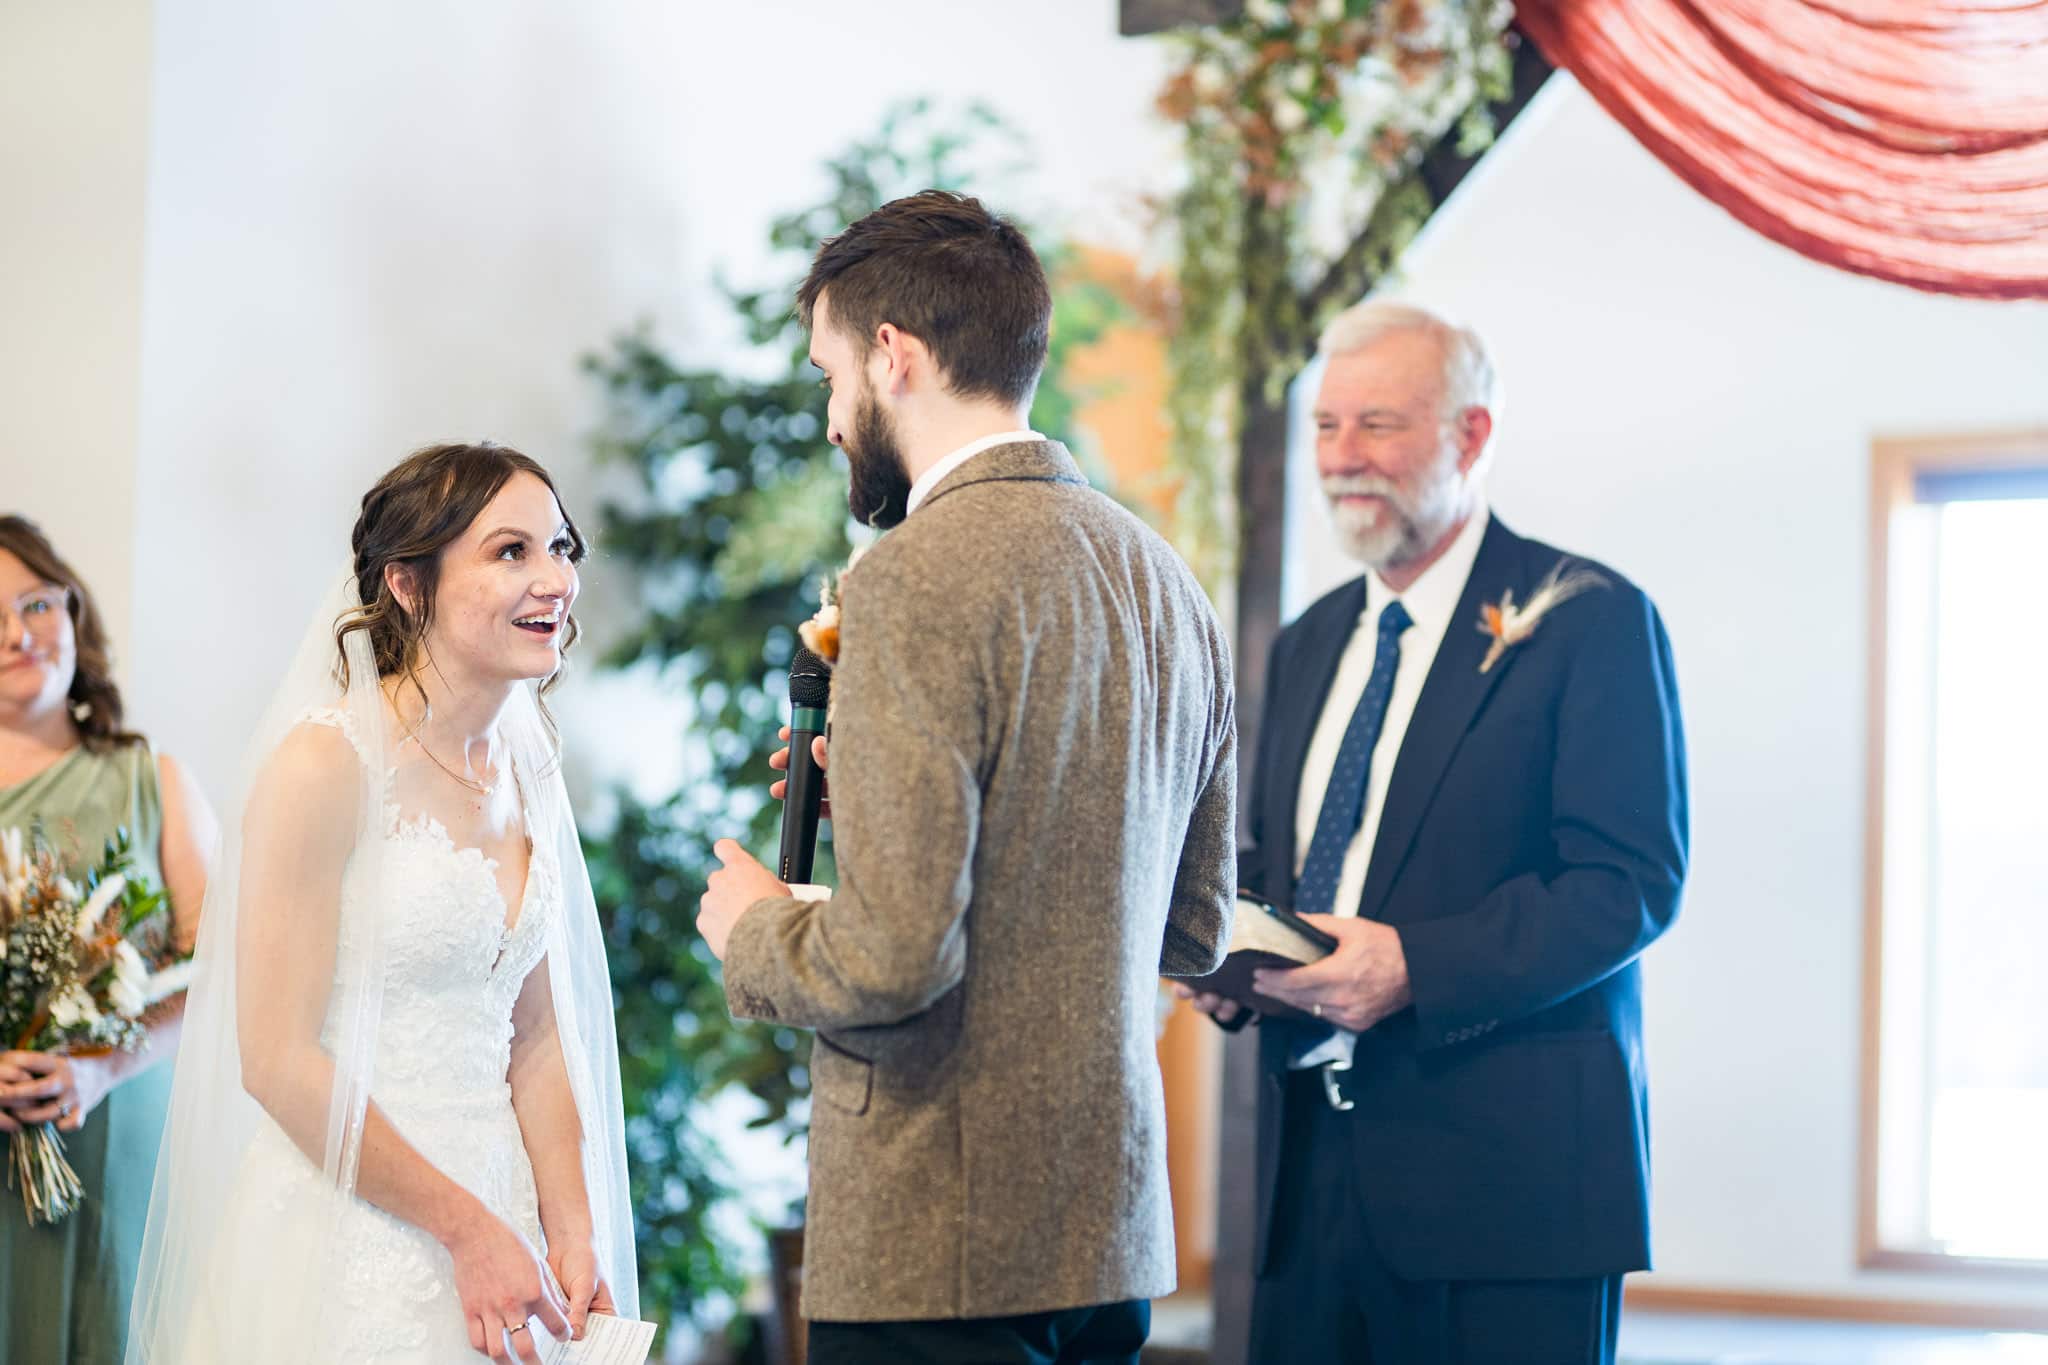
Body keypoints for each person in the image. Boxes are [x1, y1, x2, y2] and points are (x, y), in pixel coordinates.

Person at [695, 190, 1238, 1365]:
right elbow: (1192, 929)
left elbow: (894, 960)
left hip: (936, 1244)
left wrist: (753, 930)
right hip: (1103, 1234)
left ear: (892, 357)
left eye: (829, 373)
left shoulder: (912, 575)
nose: (829, 418)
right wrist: (879, 792)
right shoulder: (1166, 580)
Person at [1180, 301, 1688, 1364]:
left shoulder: (1590, 617)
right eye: (1326, 426)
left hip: (1504, 1186)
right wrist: (1220, 952)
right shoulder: (1310, 639)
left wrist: (1416, 965)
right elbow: (1274, 858)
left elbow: (1627, 883)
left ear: (1470, 434)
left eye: (1377, 424)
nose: (1340, 458)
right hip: (1306, 1178)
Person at [125, 444, 636, 1365]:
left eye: (560, 547)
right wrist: (465, 1229)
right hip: (354, 1225)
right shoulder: (326, 763)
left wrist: (572, 1226)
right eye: (510, 551)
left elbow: (536, 1032)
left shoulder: (530, 764)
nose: (555, 579)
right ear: (407, 583)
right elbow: (275, 1060)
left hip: (507, 1219)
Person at [0, 516, 217, 1365]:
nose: (18, 635)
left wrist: (102, 1067)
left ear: (73, 612)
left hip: (114, 1137)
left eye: (36, 604)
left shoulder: (152, 780)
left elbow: (216, 971)